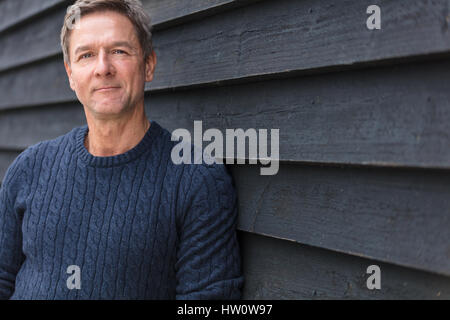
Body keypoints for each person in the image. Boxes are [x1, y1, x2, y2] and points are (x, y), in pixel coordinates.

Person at [0, 0, 243, 299]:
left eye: (119, 51)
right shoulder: (28, 169)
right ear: (71, 75)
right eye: (87, 55)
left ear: (148, 64)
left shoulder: (195, 179)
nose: (103, 68)